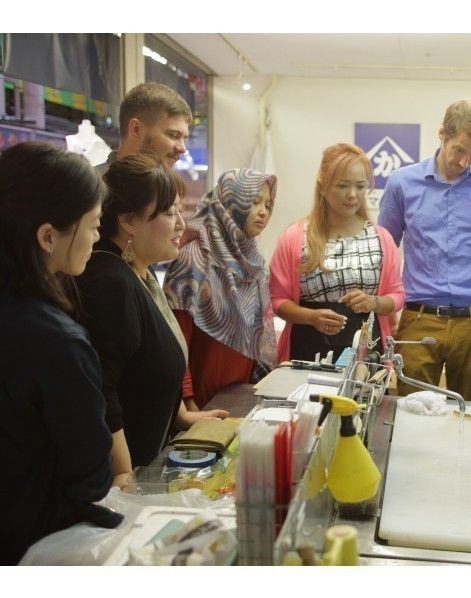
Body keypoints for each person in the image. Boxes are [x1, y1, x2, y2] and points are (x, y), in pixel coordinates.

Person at [0, 142, 122, 564]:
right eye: (93, 225)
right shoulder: (56, 341)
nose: (94, 238)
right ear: (48, 236)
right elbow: (89, 477)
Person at [76, 152, 228, 490]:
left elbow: (142, 367)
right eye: (170, 212)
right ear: (129, 221)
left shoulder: (137, 273)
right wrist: (121, 471)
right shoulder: (111, 282)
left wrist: (182, 415)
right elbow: (101, 388)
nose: (181, 225)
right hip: (122, 476)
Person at [378, 99, 471, 403]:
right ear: (442, 134)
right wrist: (383, 320)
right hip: (418, 318)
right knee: (412, 414)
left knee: (468, 418)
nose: (465, 161)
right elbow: (385, 256)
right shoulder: (403, 184)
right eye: (459, 150)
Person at [270, 143, 405, 363]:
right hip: (307, 351)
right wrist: (311, 317)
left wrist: (374, 303)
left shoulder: (381, 238)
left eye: (361, 186)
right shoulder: (295, 238)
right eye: (343, 186)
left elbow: (397, 296)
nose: (352, 195)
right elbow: (277, 301)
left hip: (366, 356)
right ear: (322, 186)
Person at [163, 169, 279, 410]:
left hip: (240, 399)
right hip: (198, 405)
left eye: (268, 204)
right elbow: (175, 342)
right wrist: (187, 403)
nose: (263, 211)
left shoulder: (252, 263)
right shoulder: (193, 258)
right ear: (229, 201)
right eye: (254, 201)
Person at [95, 82, 191, 174]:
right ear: (136, 129)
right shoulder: (91, 188)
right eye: (173, 135)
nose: (183, 148)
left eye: (184, 139)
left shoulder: (165, 189)